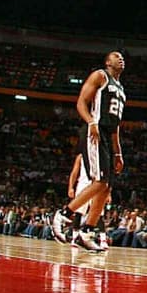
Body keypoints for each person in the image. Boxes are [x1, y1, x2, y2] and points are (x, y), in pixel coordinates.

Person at [52, 51, 127, 251]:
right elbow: (81, 102)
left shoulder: (120, 89)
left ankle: (86, 231)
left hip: (108, 137)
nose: (121, 59)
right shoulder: (100, 76)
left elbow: (116, 125)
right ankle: (63, 214)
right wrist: (91, 121)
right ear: (107, 61)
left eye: (122, 57)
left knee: (107, 187)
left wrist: (118, 152)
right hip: (94, 131)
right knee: (99, 182)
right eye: (116, 56)